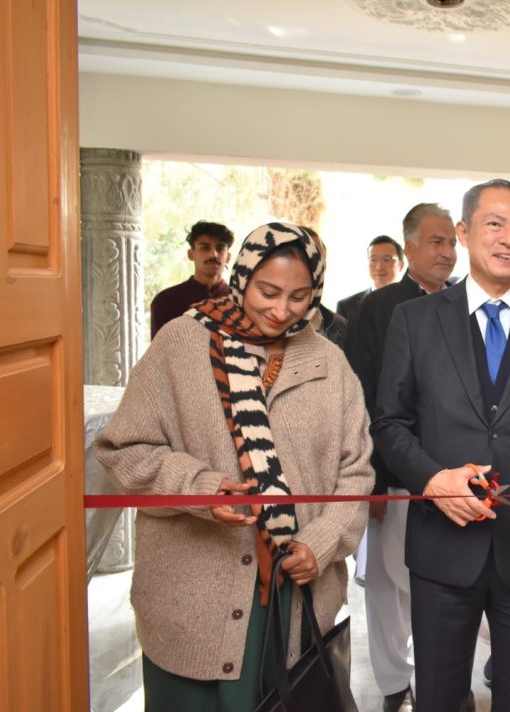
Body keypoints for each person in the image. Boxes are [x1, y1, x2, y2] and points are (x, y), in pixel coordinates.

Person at [94, 222, 374, 711]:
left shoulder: (332, 364)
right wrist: (199, 488)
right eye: (268, 292)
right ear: (242, 277)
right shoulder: (180, 344)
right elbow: (124, 447)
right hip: (191, 596)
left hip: (292, 600)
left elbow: (357, 474)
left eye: (298, 297)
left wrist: (322, 541)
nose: (281, 310)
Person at [372, 178, 510, 712]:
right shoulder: (415, 320)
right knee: (440, 697)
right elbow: (389, 424)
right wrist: (432, 480)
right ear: (464, 232)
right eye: (494, 224)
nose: (509, 238)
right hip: (442, 549)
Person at [344, 202, 457, 712]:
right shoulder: (380, 307)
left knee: (441, 586)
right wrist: (370, 480)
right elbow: (362, 394)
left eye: (451, 242)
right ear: (409, 247)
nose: (447, 252)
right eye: (436, 241)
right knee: (387, 583)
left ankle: (443, 680)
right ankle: (394, 683)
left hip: (451, 475)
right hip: (391, 472)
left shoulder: (463, 302)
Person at [150, 220, 235, 338]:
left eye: (220, 248)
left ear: (228, 257)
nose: (213, 254)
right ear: (191, 254)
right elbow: (160, 349)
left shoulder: (240, 300)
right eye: (205, 248)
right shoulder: (166, 301)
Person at [336, 234, 405, 323]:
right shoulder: (347, 307)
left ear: (401, 265)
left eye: (386, 259)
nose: (379, 267)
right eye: (373, 260)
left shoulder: (413, 301)